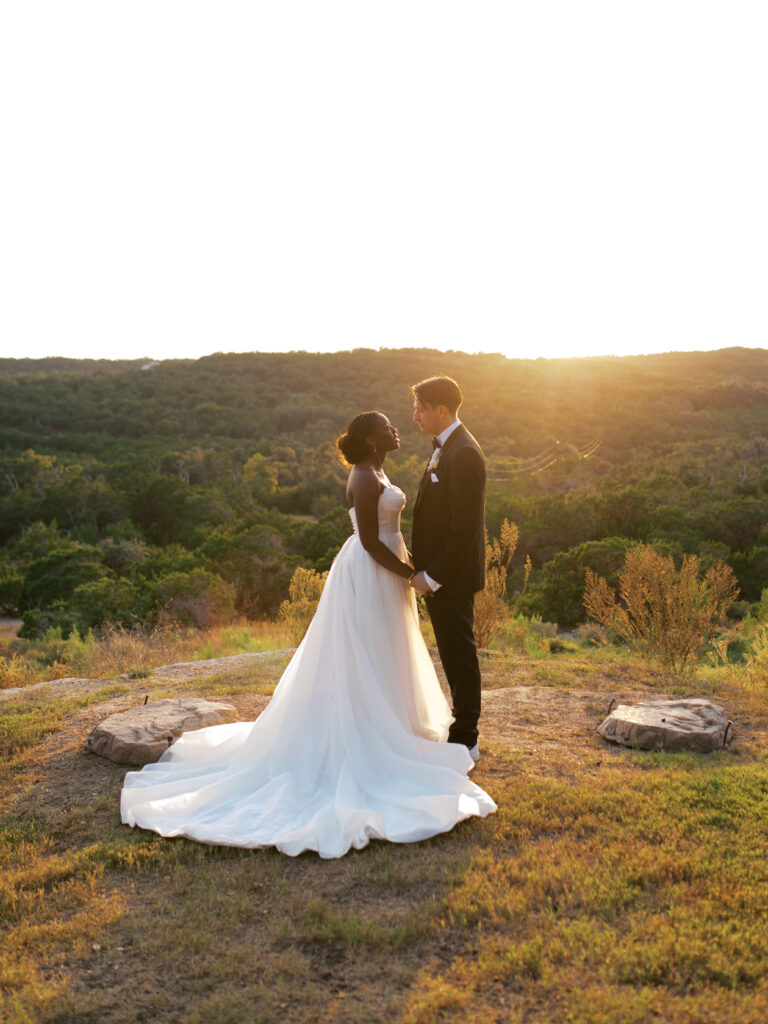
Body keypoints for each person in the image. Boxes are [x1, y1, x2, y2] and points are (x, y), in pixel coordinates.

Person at [121, 411, 496, 858]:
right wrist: (407, 572)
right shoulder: (361, 476)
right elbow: (371, 542)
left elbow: (389, 530)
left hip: (390, 571)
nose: (397, 429)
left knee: (385, 651)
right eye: (387, 426)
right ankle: (360, 734)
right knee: (364, 651)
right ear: (370, 439)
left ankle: (393, 723)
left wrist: (411, 564)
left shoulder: (378, 468)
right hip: (371, 571)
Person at [409, 377, 486, 763]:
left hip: (451, 578)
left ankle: (467, 737)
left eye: (421, 408)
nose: (415, 416)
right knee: (453, 654)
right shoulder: (446, 448)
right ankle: (461, 731)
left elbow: (464, 528)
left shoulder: (464, 453)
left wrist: (433, 575)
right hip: (441, 576)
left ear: (441, 410)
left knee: (460, 656)